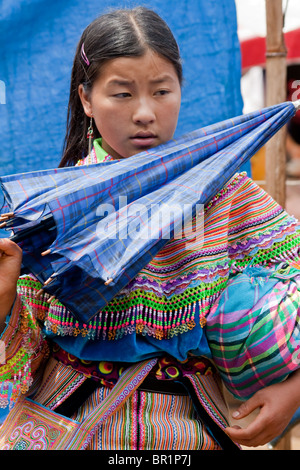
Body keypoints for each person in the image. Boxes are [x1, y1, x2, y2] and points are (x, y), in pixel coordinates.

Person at [1, 6, 300, 450]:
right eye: (121, 94)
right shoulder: (49, 213)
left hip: (195, 433)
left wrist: (294, 392)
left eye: (162, 91)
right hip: (76, 429)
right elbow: (22, 358)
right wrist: (5, 300)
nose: (145, 113)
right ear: (86, 99)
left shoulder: (230, 198)